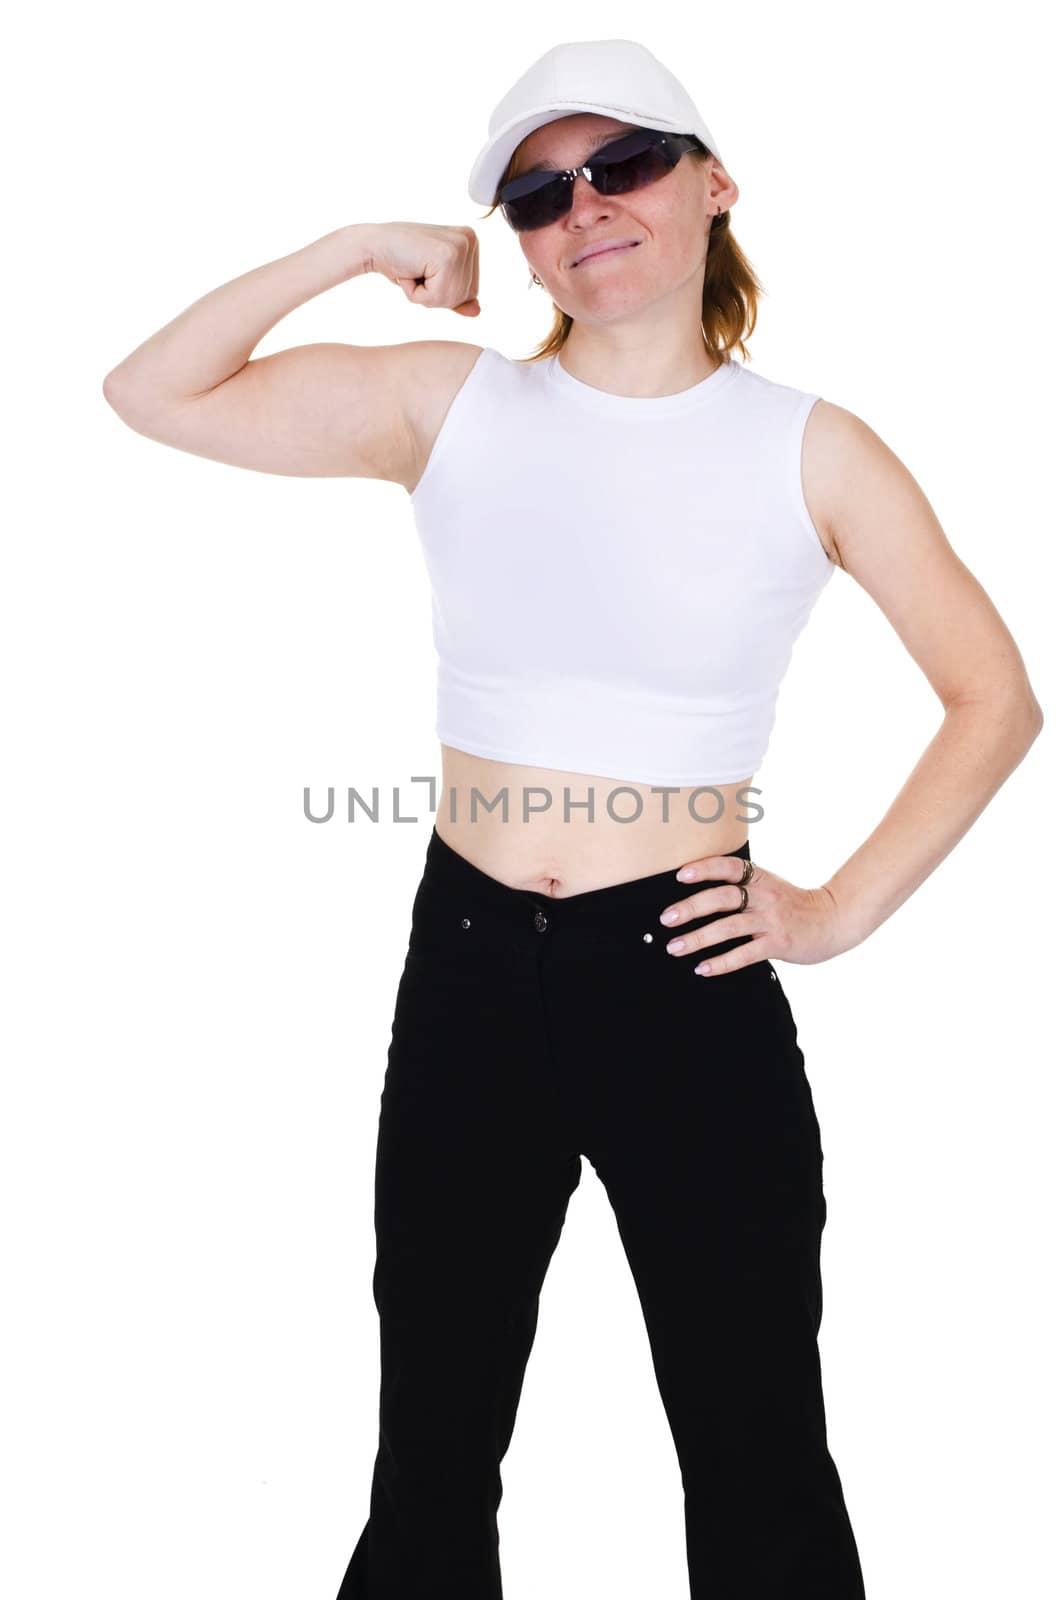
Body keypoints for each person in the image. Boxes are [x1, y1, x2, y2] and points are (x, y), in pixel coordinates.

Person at [102, 36, 1043, 1600]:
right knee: (431, 1456)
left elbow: (994, 696)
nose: (584, 206)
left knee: (756, 1452)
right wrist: (351, 247)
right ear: (523, 239)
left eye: (624, 165)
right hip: (469, 962)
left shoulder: (812, 446)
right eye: (540, 193)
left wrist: (833, 908)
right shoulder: (448, 405)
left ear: (712, 183)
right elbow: (151, 392)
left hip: (682, 968)